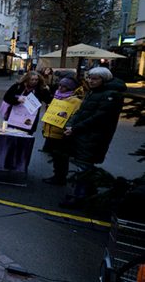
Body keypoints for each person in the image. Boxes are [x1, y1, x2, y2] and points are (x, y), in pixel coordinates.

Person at [60, 68, 127, 207]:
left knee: (84, 166)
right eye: (89, 78)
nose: (90, 81)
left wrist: (75, 128)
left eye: (95, 78)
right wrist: (69, 125)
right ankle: (88, 193)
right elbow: (81, 112)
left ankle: (79, 197)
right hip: (83, 134)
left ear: (104, 79)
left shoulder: (111, 95)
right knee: (82, 164)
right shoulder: (94, 92)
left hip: (94, 136)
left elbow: (98, 118)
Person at [41, 77, 81, 186]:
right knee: (56, 156)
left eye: (64, 87)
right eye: (60, 85)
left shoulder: (75, 100)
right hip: (51, 131)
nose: (60, 88)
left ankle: (60, 178)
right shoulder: (57, 96)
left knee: (61, 158)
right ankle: (57, 176)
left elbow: (74, 116)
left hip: (61, 133)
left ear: (70, 88)